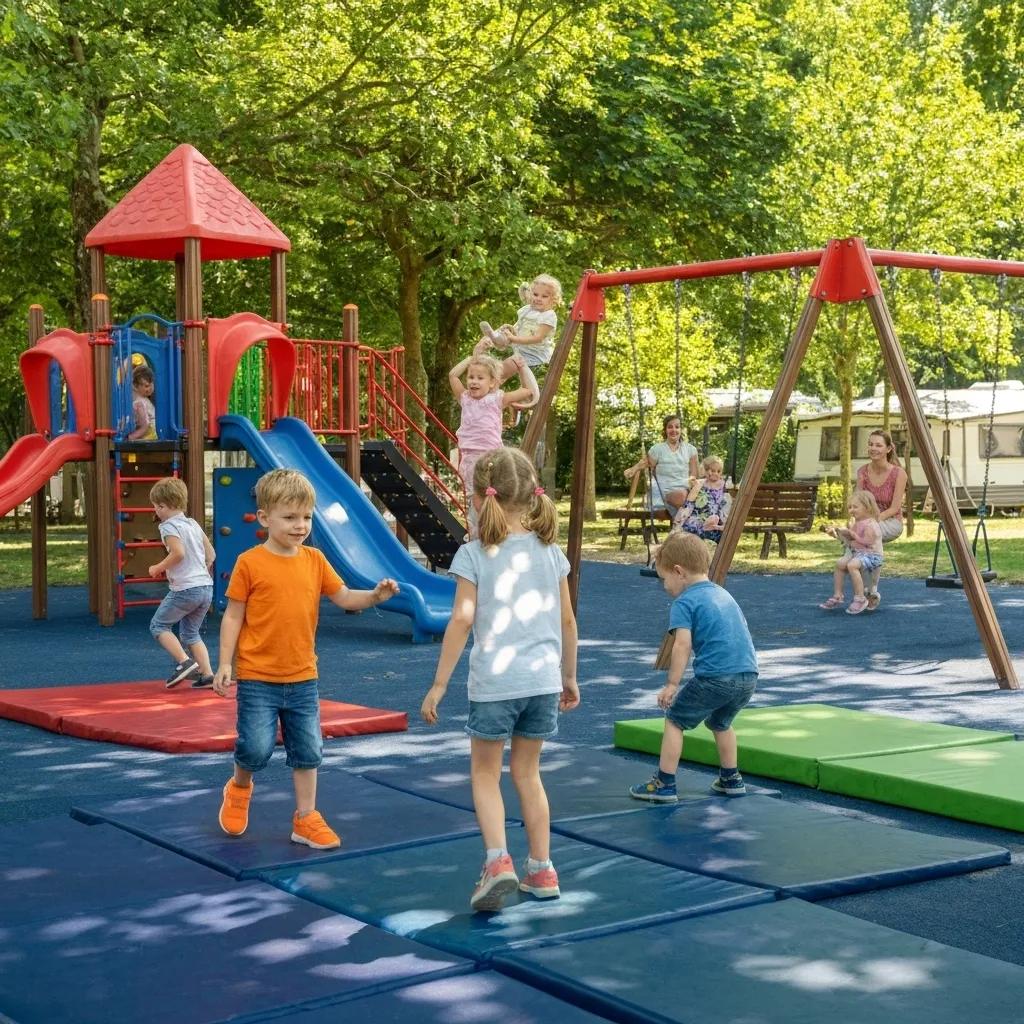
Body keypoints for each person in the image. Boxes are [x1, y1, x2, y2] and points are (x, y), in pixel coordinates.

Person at [420, 447, 580, 912]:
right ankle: (542, 868)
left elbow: (462, 621)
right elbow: (569, 623)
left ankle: (497, 862)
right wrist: (569, 676)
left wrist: (439, 684)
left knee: (485, 774)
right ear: (533, 496)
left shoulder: (474, 555)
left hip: (496, 683)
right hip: (543, 682)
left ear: (476, 497)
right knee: (528, 774)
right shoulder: (551, 554)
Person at [213, 468, 400, 850]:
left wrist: (374, 597)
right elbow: (233, 614)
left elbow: (345, 597)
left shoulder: (314, 560)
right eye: (290, 517)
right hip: (258, 676)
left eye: (306, 517)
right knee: (255, 748)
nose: (300, 525)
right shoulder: (250, 563)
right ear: (264, 518)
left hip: (302, 676)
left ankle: (306, 818)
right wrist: (225, 663)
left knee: (309, 749)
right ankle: (239, 788)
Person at [629, 531, 758, 803]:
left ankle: (664, 783)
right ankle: (731, 778)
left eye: (664, 579)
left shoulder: (684, 602)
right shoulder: (723, 594)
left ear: (679, 572)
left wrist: (672, 684)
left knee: (675, 719)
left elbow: (682, 645)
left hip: (716, 678)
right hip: (748, 676)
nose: (664, 586)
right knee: (720, 722)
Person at [450, 350, 538, 538]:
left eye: (480, 378)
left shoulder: (497, 399)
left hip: (491, 457)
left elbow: (528, 391)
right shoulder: (465, 399)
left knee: (494, 494)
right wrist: (471, 359)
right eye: (471, 377)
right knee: (474, 497)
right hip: (469, 457)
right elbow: (452, 375)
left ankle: (500, 528)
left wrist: (522, 368)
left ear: (492, 383)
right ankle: (476, 532)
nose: (473, 381)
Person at [147, 477, 216, 688]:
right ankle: (207, 675)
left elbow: (178, 553)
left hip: (186, 588)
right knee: (190, 633)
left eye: (156, 507)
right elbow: (211, 554)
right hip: (206, 587)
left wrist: (158, 567)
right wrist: (200, 571)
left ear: (163, 506)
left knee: (158, 625)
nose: (156, 512)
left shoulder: (168, 527)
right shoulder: (193, 523)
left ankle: (184, 662)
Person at [479, 274, 563, 387]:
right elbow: (527, 297)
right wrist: (510, 333)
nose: (538, 298)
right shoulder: (529, 309)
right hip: (519, 346)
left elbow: (537, 338)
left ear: (553, 300)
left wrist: (513, 338)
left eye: (544, 296)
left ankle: (490, 379)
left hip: (534, 355)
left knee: (505, 367)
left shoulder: (548, 316)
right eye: (535, 294)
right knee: (506, 329)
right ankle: (495, 337)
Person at [855, 429, 907, 609]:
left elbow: (895, 508)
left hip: (891, 521)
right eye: (870, 444)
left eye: (878, 445)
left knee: (869, 535)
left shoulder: (898, 473)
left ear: (888, 449)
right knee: (855, 543)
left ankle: (871, 590)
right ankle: (863, 592)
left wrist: (873, 521)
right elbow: (858, 502)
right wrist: (856, 522)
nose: (873, 448)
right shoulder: (862, 472)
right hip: (867, 522)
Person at [818, 489, 884, 615]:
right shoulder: (856, 522)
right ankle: (838, 595)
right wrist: (839, 534)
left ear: (867, 507)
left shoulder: (872, 524)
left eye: (855, 507)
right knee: (840, 563)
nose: (851, 510)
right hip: (859, 553)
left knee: (852, 565)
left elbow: (867, 543)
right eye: (849, 507)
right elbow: (850, 542)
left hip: (872, 555)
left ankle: (860, 598)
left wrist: (852, 534)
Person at [624, 414, 699, 512]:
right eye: (670, 427)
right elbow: (646, 463)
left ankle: (681, 524)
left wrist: (692, 484)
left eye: (677, 427)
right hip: (666, 490)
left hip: (685, 487)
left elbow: (694, 474)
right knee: (681, 496)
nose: (674, 430)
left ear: (681, 430)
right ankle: (682, 523)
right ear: (665, 430)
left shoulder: (690, 449)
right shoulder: (657, 449)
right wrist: (633, 469)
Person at [674, 455, 732, 543]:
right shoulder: (700, 484)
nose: (715, 473)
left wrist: (724, 523)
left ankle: (710, 529)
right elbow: (689, 504)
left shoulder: (724, 486)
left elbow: (726, 507)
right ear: (705, 470)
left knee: (716, 529)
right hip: (698, 518)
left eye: (718, 471)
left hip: (715, 521)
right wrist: (681, 521)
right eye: (712, 471)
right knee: (689, 528)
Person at [129, 364, 157, 440]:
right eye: (147, 386)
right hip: (151, 436)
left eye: (152, 384)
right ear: (135, 386)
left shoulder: (142, 401)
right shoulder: (140, 402)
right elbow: (145, 425)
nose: (151, 388)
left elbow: (145, 426)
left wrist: (130, 437)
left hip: (151, 436)